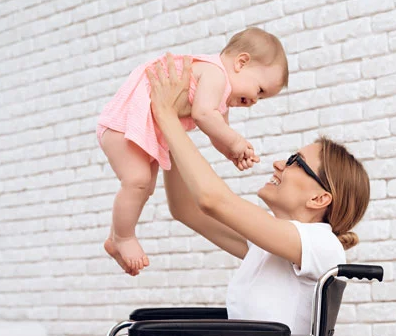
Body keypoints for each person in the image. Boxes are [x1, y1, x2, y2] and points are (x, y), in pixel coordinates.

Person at [32, 54, 370, 336]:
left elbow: (214, 200)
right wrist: (177, 128)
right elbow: (187, 209)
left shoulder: (320, 245)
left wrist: (166, 114)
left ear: (321, 199)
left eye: (295, 162)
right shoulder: (271, 245)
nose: (278, 164)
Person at [99, 28, 289, 276]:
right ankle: (123, 237)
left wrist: (231, 152)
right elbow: (203, 115)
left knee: (144, 188)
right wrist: (235, 141)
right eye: (260, 90)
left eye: (262, 99)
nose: (255, 101)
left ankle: (116, 237)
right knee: (137, 181)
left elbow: (216, 130)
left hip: (149, 128)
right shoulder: (215, 74)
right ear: (241, 63)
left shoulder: (221, 93)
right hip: (124, 123)